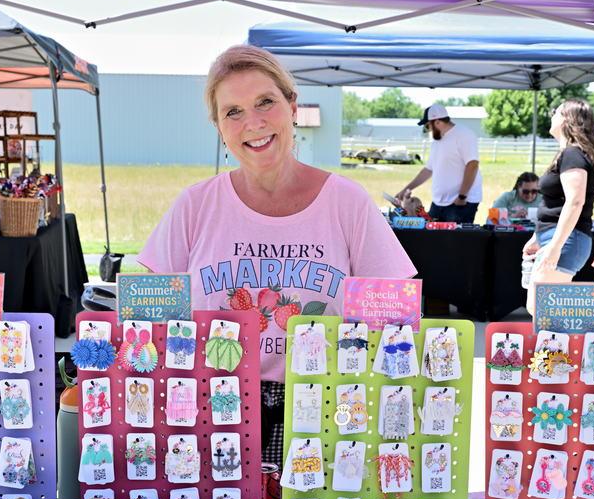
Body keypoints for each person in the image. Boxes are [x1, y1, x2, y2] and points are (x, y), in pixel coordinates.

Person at [138, 45, 417, 464]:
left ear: (292, 106)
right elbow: (148, 315)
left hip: (326, 411)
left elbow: (395, 316)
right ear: (219, 127)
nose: (253, 123)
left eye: (265, 102)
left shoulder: (347, 203)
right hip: (213, 409)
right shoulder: (195, 206)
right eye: (233, 112)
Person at [524, 98, 594, 313]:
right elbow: (557, 202)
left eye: (556, 111)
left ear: (566, 119)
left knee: (543, 310)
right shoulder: (570, 153)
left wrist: (554, 247)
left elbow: (575, 202)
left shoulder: (573, 154)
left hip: (567, 240)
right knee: (543, 310)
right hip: (558, 237)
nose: (551, 115)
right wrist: (537, 237)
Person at [394, 104, 483, 222]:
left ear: (437, 122)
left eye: (428, 125)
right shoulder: (437, 142)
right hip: (439, 202)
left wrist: (462, 196)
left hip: (461, 203)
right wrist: (406, 189)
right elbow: (428, 170)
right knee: (431, 233)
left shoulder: (464, 135)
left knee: (454, 235)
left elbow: (472, 165)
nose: (428, 130)